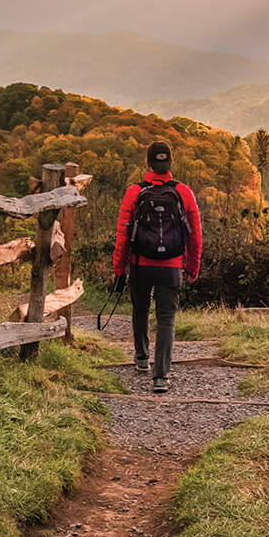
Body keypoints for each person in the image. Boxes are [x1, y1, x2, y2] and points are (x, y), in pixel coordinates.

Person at [111, 141, 202, 393]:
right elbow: (195, 235)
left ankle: (141, 358)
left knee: (140, 309)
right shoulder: (183, 192)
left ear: (148, 163)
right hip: (171, 266)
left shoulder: (134, 192)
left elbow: (122, 235)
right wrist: (192, 266)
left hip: (140, 265)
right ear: (170, 163)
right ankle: (160, 376)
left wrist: (119, 269)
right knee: (166, 318)